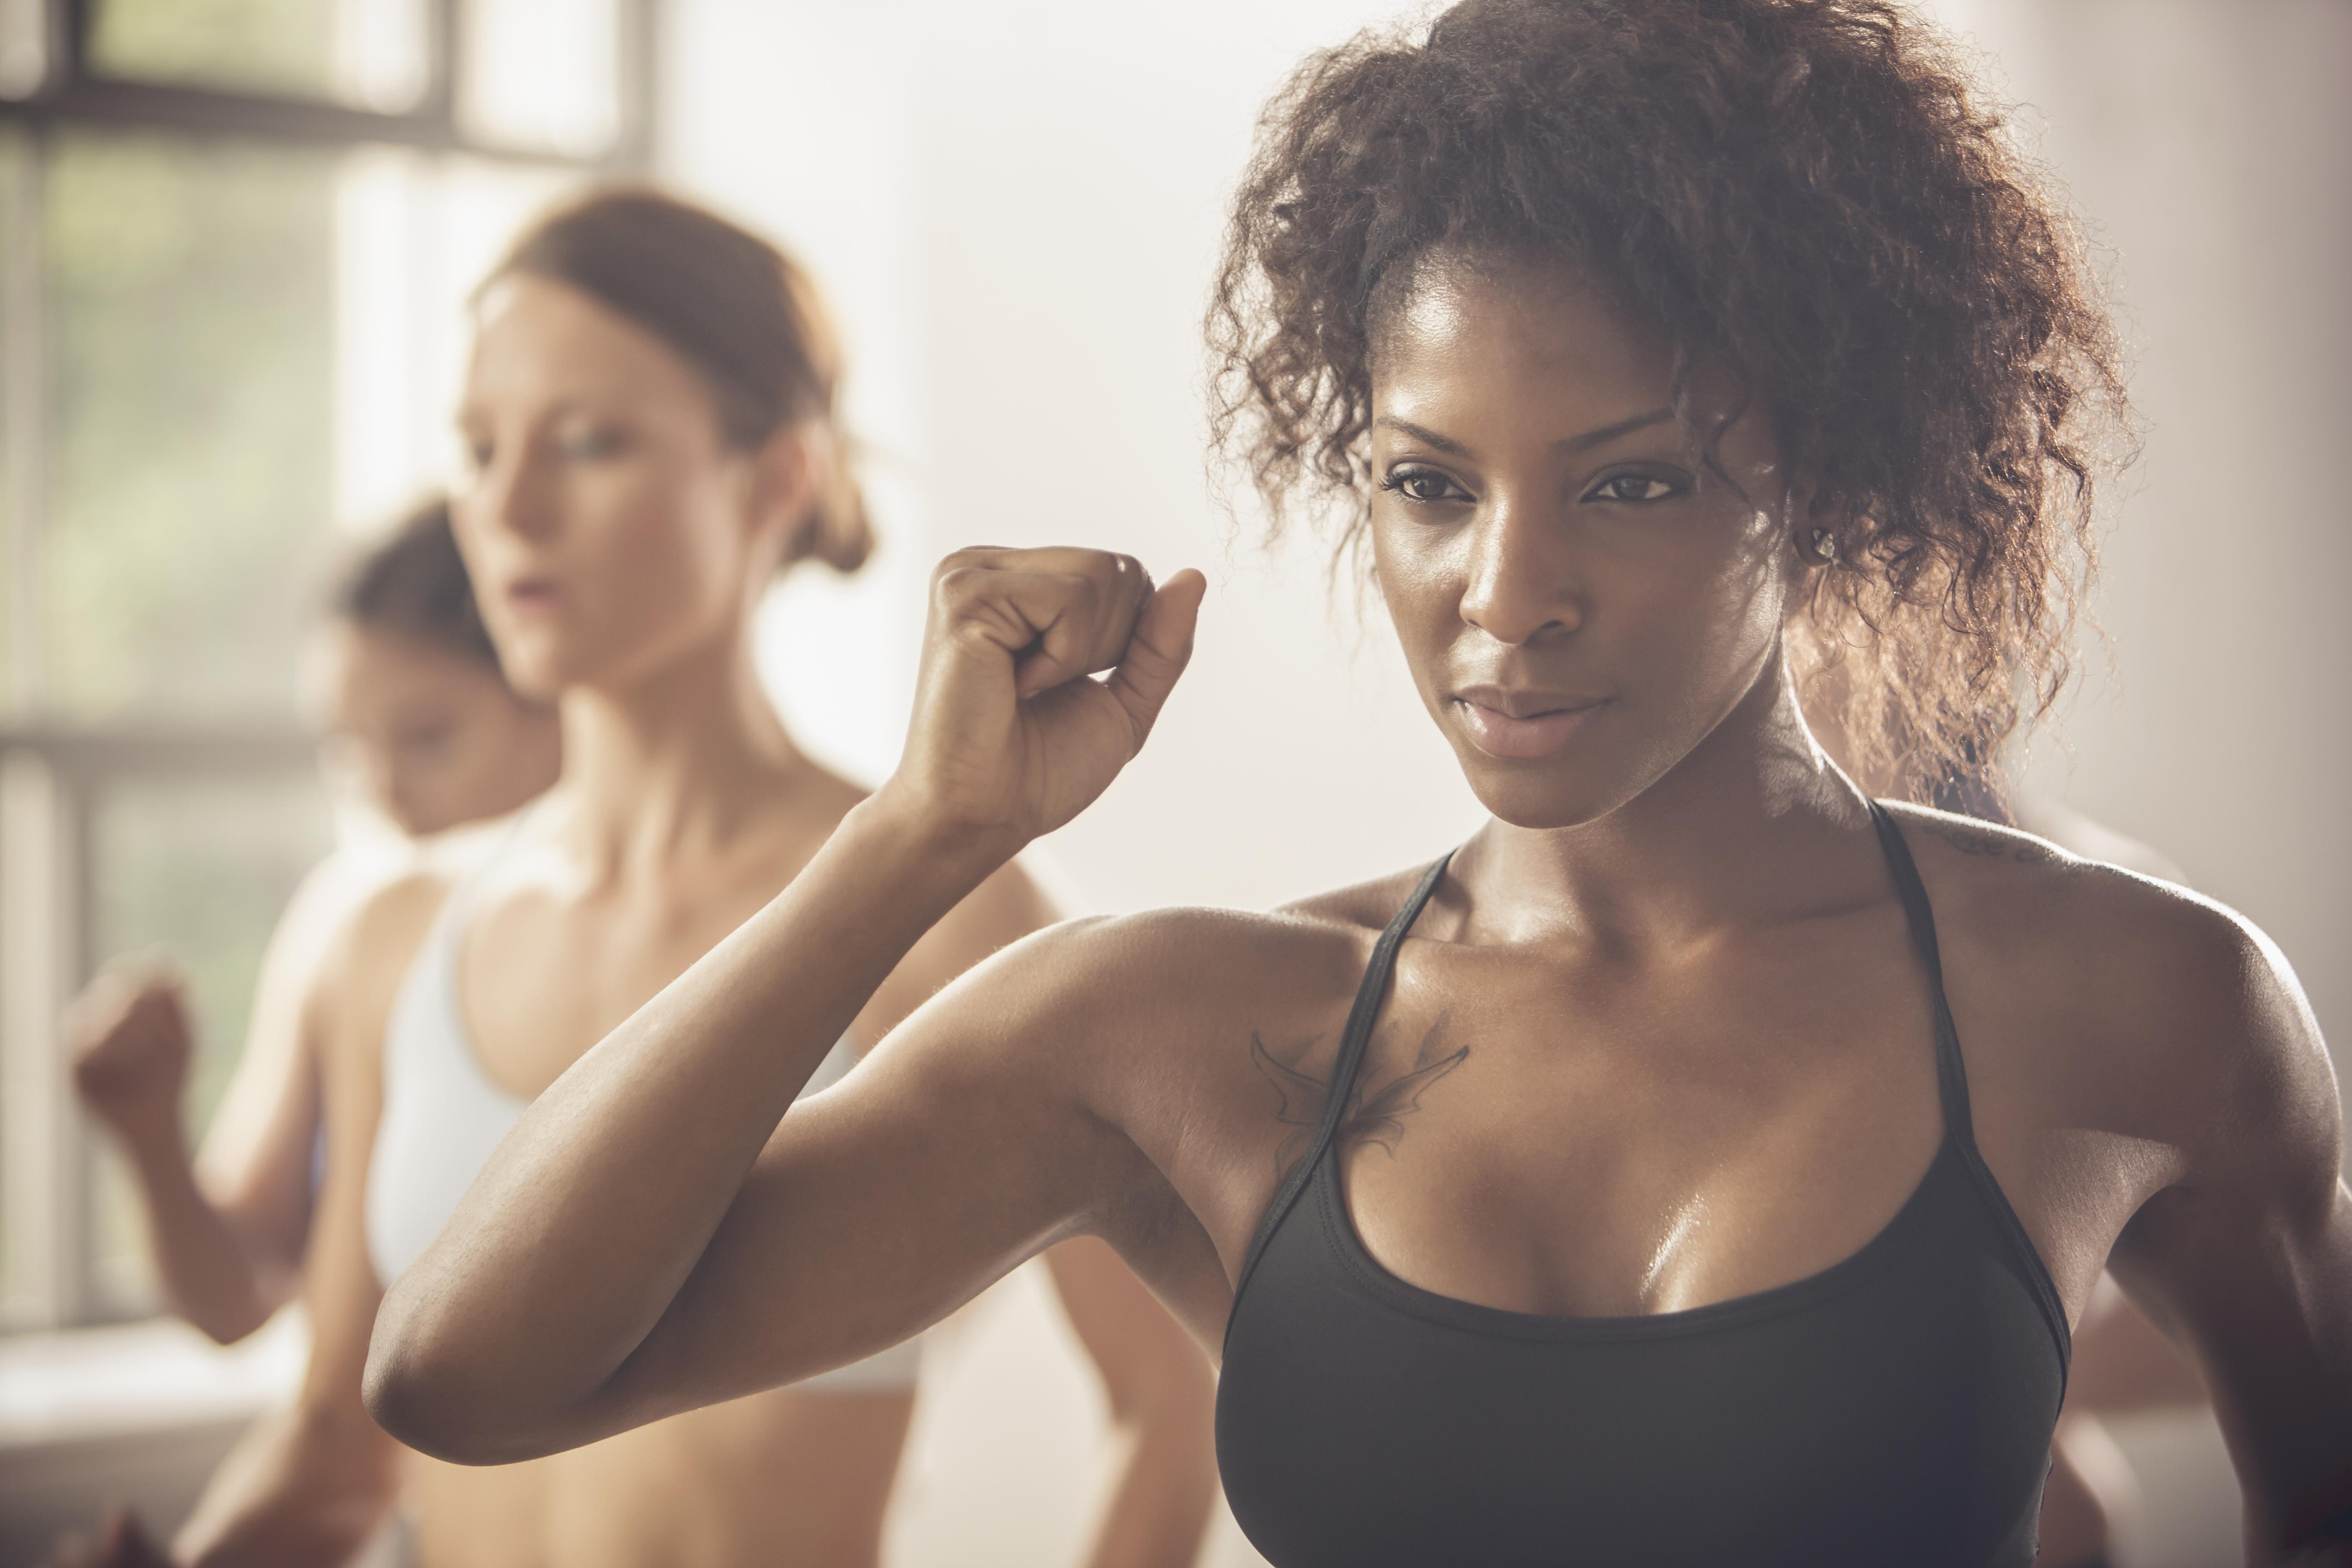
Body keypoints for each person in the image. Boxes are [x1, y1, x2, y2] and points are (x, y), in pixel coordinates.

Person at [366, 5, 2352, 1566]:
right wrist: (916, 842)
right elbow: (469, 1369)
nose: (1507, 595)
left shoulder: (2138, 1000)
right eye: (1430, 485)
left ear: (1820, 477)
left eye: (1631, 480)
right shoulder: (1185, 1034)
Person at [125, 188, 1218, 1568]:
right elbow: (341, 1454)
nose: (508, 508)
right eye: (476, 449)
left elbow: (1167, 1406)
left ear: (773, 480)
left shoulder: (945, 921)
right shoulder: (389, 940)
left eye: (586, 445)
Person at [68, 500, 562, 1347]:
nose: (384, 792)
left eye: (428, 739)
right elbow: (235, 1303)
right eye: (348, 748)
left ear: (556, 698)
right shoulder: (342, 927)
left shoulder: (646, 935)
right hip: (371, 1464)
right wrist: (150, 1139)